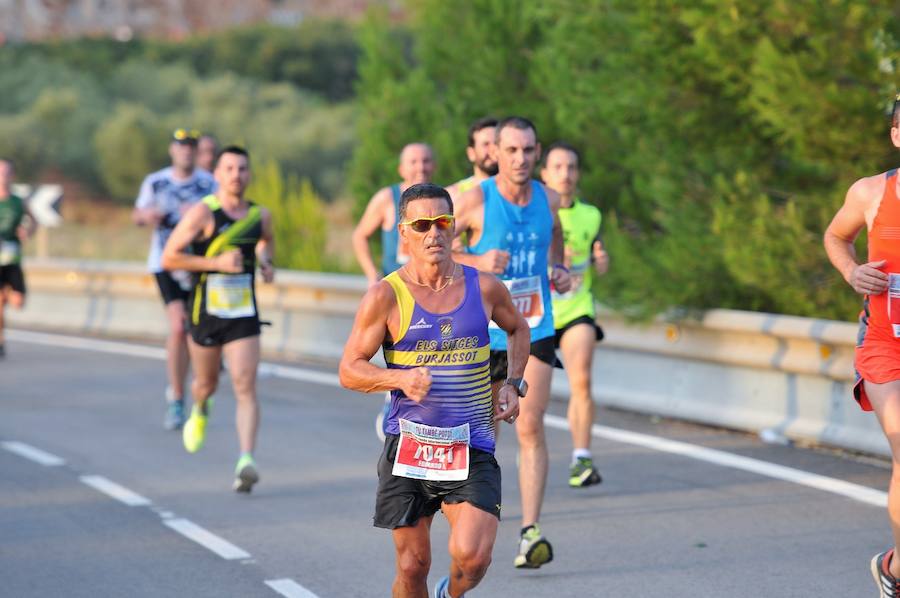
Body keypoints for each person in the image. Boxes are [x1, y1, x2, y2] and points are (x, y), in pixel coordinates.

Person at [339, 182, 529, 597]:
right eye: (422, 224)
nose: (434, 233)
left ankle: (451, 594)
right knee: (412, 565)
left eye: (442, 222)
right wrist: (398, 378)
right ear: (403, 232)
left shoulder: (483, 287)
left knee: (474, 557)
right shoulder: (386, 295)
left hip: (471, 443)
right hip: (410, 446)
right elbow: (349, 370)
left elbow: (518, 328)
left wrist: (514, 384)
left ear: (454, 227)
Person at [452, 116, 571, 569]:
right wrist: (476, 257)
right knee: (486, 433)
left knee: (530, 424)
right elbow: (426, 251)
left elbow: (555, 237)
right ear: (495, 153)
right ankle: (476, 523)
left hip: (535, 327)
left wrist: (556, 268)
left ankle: (530, 533)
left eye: (528, 151)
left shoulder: (550, 199)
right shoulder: (473, 201)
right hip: (482, 336)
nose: (520, 159)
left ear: (537, 153)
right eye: (512, 151)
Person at [161, 145, 274, 493]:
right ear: (218, 175)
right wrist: (216, 264)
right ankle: (200, 406)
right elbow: (170, 258)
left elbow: (265, 244)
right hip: (206, 313)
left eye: (242, 169)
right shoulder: (203, 213)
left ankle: (246, 461)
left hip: (243, 313)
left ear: (249, 174)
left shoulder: (260, 215)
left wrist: (266, 263)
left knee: (244, 384)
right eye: (229, 169)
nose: (236, 175)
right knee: (206, 383)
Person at [133, 128, 216, 430]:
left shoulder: (209, 183)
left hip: (200, 265)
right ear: (172, 150)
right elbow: (137, 215)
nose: (186, 152)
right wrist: (149, 216)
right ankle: (177, 398)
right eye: (181, 146)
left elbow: (224, 216)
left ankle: (202, 389)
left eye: (191, 147)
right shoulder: (156, 182)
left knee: (199, 332)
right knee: (178, 327)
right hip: (165, 263)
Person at [352, 142, 436, 441]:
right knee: (401, 349)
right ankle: (393, 399)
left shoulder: (440, 201)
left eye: (426, 161)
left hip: (431, 289)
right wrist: (371, 274)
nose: (420, 167)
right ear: (402, 168)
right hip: (396, 292)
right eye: (413, 161)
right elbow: (360, 235)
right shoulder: (387, 199)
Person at [540, 142, 609, 488]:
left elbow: (598, 253)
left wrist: (602, 263)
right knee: (518, 398)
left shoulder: (592, 215)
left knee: (581, 379)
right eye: (558, 167)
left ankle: (581, 457)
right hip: (539, 312)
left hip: (578, 308)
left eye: (571, 167)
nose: (565, 174)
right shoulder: (536, 211)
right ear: (545, 174)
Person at [0, 158, 36, 359]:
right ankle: (1, 340)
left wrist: (27, 231)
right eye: (0, 172)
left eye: (6, 172)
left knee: (17, 302)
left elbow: (34, 221)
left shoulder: (17, 201)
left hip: (12, 258)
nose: (3, 177)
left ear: (11, 176)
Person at [445, 117, 498, 204]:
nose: (493, 149)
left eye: (496, 143)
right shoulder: (453, 196)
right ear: (471, 153)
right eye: (486, 144)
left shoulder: (521, 192)